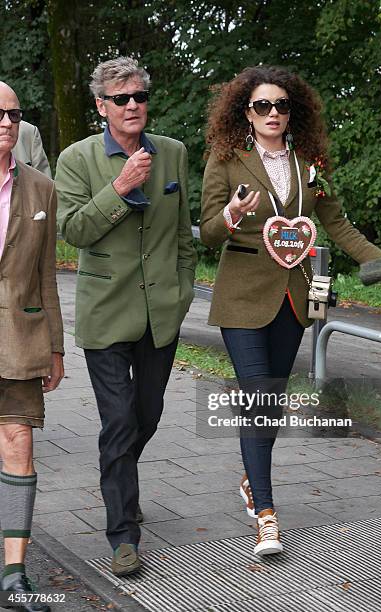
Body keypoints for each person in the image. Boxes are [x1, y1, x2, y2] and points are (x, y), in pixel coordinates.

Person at [200, 65, 381, 556]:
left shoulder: (310, 163)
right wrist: (233, 212)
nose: (273, 113)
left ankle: (249, 481)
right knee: (259, 397)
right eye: (263, 105)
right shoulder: (226, 159)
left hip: (293, 298)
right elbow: (209, 232)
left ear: (292, 111)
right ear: (246, 112)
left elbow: (339, 226)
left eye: (282, 105)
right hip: (241, 298)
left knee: (271, 403)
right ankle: (266, 514)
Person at [55, 57, 196, 576]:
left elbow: (183, 235)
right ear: (102, 107)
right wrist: (117, 188)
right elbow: (72, 231)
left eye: (139, 96)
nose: (132, 105)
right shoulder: (76, 158)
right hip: (105, 315)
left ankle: (122, 481)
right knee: (118, 420)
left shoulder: (174, 153)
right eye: (121, 98)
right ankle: (122, 532)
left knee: (149, 415)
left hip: (161, 314)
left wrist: (181, 295)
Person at [0, 82, 64, 610]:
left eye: (14, 113)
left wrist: (56, 348)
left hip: (20, 339)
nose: (6, 122)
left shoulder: (41, 189)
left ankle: (14, 571)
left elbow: (47, 277)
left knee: (19, 443)